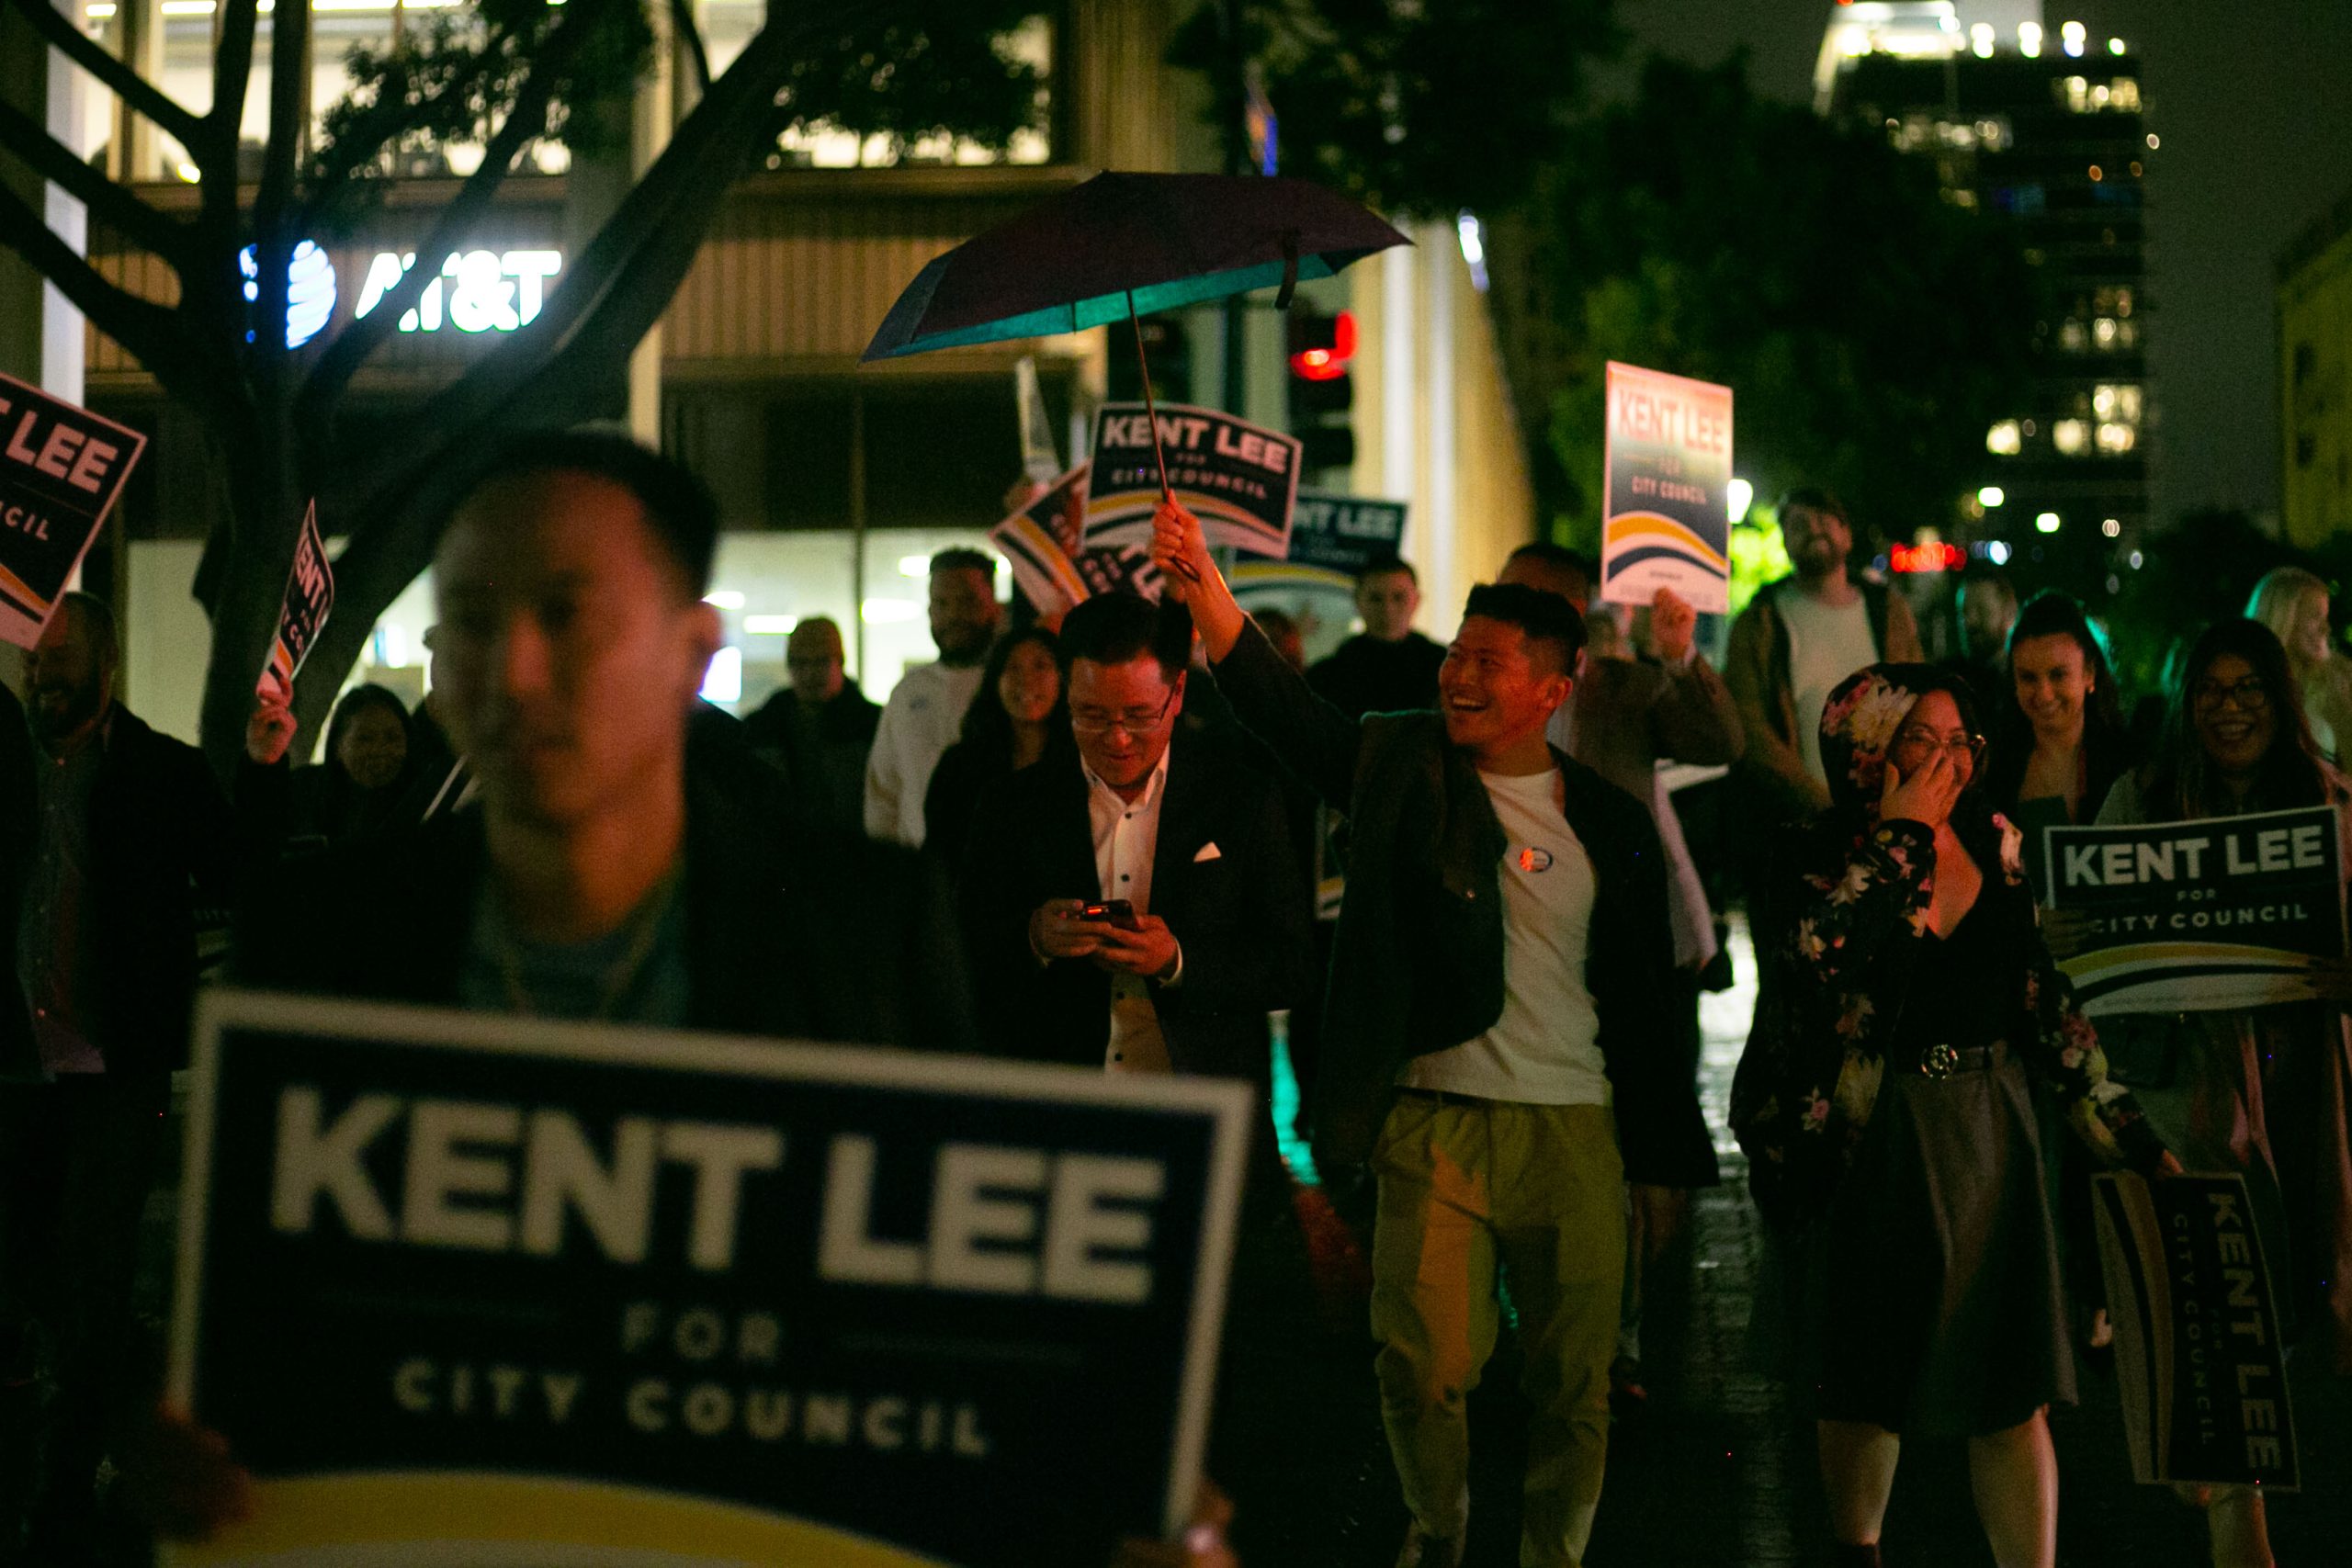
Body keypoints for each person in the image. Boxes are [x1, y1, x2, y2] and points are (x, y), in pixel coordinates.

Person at [213, 432, 1227, 1567]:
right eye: (471, 626)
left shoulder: (862, 927)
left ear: (694, 651)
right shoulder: (322, 940)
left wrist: (1097, 1480)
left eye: (568, 618)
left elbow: (955, 1333)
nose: (516, 671)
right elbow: (276, 1343)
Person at [1153, 501, 1713, 1568]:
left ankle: (1553, 1551)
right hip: (1433, 1123)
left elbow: (1640, 999)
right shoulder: (1398, 767)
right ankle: (1439, 1526)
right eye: (1457, 652)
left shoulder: (1610, 822)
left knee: (1572, 1382)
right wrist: (1201, 585)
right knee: (1418, 1363)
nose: (1460, 674)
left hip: (1571, 1128)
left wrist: (1655, 1150)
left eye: (1491, 661)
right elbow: (1286, 709)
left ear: (1555, 689)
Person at [1732, 663, 2175, 1568]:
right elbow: (1818, 960)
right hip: (1873, 1135)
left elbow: (2039, 1001)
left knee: (2010, 1391)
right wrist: (1901, 837)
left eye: (1959, 742)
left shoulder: (1996, 843)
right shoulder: (1810, 850)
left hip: (1987, 1126)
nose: (1946, 760)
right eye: (1918, 741)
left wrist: (2128, 1137)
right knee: (1862, 1380)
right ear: (1864, 751)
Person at [2089, 618, 2352, 1568]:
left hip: (2304, 1096)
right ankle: (2240, 1539)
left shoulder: (2331, 804)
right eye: (2212, 689)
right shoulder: (2143, 799)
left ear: (2279, 702)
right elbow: (2088, 951)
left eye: (2249, 690)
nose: (2230, 708)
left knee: (2298, 1309)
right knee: (2215, 1325)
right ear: (2186, 700)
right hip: (2187, 1104)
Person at [0, 593, 235, 1562]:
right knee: (24, 1262)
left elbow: (237, 870)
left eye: (63, 657)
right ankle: (117, 1386)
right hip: (13, 1065)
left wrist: (265, 761)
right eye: (35, 659)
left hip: (114, 1059)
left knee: (95, 1274)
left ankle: (66, 1483)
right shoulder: (5, 771)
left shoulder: (161, 772)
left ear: (107, 660)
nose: (46, 674)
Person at [1498, 541, 1742, 1397]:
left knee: (1645, 1147)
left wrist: (1679, 654)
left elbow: (1720, 738)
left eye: (1537, 602)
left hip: (1636, 951)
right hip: (1527, 948)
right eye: (1506, 594)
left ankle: (1628, 1338)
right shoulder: (1476, 687)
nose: (1513, 614)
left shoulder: (1626, 686)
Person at [1725, 488, 1922, 818]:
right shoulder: (1759, 623)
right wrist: (1823, 807)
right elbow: (1752, 727)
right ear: (1786, 542)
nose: (1814, 530)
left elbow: (1922, 699)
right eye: (1799, 524)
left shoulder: (1889, 613)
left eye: (1824, 520)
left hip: (1891, 815)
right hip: (1804, 825)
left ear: (1847, 535)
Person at [1984, 592, 2135, 897]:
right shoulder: (1997, 769)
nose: (2044, 694)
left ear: (2089, 674)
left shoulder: (2128, 759)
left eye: (2058, 675)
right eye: (2028, 678)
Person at [864, 547, 1002, 846]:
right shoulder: (908, 693)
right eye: (941, 603)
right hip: (920, 873)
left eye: (967, 601)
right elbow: (883, 792)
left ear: (994, 607)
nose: (953, 615)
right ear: (929, 611)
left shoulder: (1014, 687)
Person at [922, 625, 1071, 869]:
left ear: (1063, 678)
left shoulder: (1082, 763)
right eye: (1013, 667)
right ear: (995, 680)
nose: (1026, 680)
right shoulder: (959, 766)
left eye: (1040, 666)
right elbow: (941, 852)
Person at [741, 615, 881, 836]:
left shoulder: (874, 725)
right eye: (800, 663)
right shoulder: (762, 728)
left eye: (821, 662)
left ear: (840, 662)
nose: (810, 673)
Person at [241, 682, 418, 855]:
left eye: (392, 738)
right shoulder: (302, 792)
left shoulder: (422, 798)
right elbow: (256, 833)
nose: (380, 749)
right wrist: (261, 761)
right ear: (337, 746)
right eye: (365, 738)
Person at [1306, 558, 1447, 718]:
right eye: (1375, 599)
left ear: (1416, 601)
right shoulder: (1326, 677)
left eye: (1398, 597)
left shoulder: (1445, 671)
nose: (1388, 609)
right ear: (1358, 602)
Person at [2245, 565, 2352, 763]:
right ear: (2282, 617)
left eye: (2326, 617)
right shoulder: (2243, 684)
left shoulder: (2339, 682)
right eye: (2315, 616)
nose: (2326, 628)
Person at [1948, 565, 2018, 707]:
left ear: (2009, 613)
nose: (1970, 621)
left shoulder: (2024, 678)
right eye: (1963, 612)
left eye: (1982, 611)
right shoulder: (1948, 680)